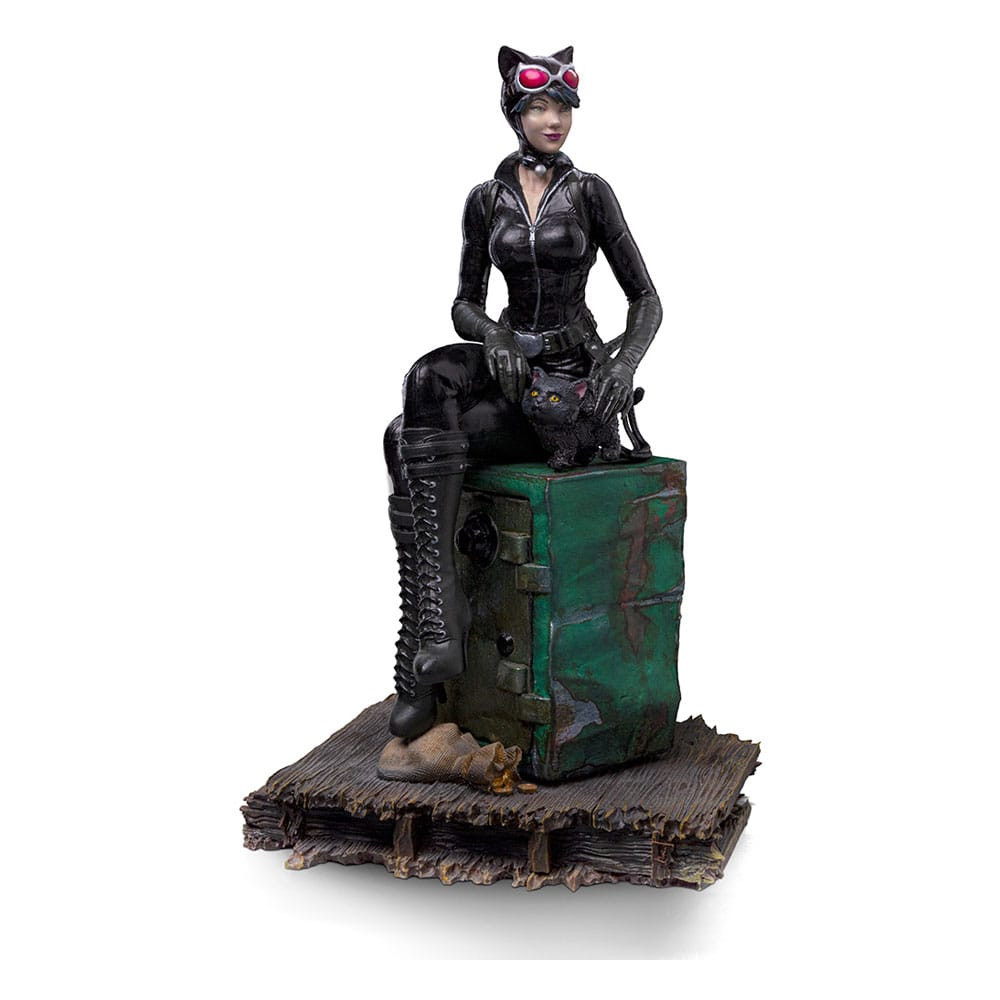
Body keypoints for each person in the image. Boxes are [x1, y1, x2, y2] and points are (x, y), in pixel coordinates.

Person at [384, 45, 662, 739]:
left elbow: (647, 300)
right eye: (539, 106)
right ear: (515, 113)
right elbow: (464, 303)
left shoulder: (590, 192)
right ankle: (437, 625)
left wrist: (623, 365)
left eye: (563, 106)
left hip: (569, 381)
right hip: (511, 368)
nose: (553, 119)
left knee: (399, 439)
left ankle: (422, 665)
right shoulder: (487, 199)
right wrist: (496, 337)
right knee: (425, 380)